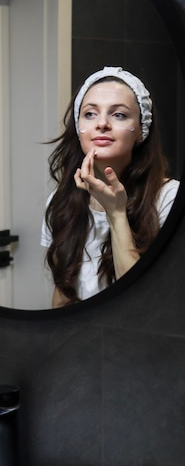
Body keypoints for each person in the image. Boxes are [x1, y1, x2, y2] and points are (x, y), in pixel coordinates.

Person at [41, 66, 179, 308]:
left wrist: (116, 213)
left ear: (141, 130)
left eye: (119, 115)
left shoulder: (169, 198)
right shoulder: (59, 202)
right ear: (78, 127)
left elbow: (142, 305)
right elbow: (63, 293)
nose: (102, 123)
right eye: (90, 114)